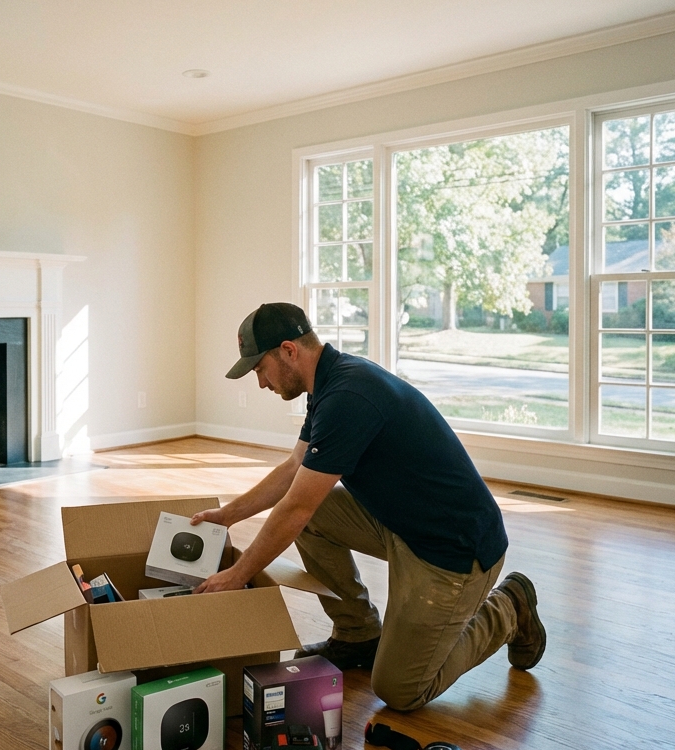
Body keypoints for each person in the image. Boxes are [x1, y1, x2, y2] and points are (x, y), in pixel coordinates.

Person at [191, 302, 546, 712]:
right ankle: (357, 633)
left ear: (288, 351)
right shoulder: (327, 384)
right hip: (402, 523)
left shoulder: (348, 396)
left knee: (400, 689)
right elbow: (294, 469)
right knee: (317, 515)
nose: (260, 383)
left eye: (259, 369)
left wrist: (238, 574)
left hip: (454, 549)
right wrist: (227, 515)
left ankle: (509, 607)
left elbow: (296, 509)